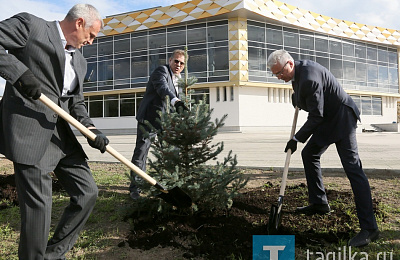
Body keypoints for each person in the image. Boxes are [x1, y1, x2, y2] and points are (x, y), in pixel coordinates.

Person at [0, 4, 109, 259]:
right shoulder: (32, 27)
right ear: (79, 23)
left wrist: (91, 130)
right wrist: (20, 74)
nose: (91, 42)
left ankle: (53, 254)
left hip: (61, 136)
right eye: (91, 35)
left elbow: (76, 103)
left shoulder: (80, 62)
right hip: (30, 130)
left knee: (87, 192)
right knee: (39, 210)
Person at [267, 49, 379, 247]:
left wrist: (296, 138)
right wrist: (298, 99)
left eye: (279, 73)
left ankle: (370, 229)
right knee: (309, 154)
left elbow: (316, 115)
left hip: (342, 118)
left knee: (353, 170)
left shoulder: (309, 76)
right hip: (327, 121)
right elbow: (311, 102)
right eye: (275, 74)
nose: (278, 77)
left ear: (290, 64)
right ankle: (319, 203)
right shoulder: (297, 75)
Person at [129, 49, 188, 199]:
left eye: (182, 63)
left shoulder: (179, 80)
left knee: (170, 153)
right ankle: (135, 188)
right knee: (141, 153)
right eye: (176, 61)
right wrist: (176, 102)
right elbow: (163, 89)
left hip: (165, 123)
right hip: (149, 119)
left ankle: (167, 186)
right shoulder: (161, 71)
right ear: (170, 61)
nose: (178, 65)